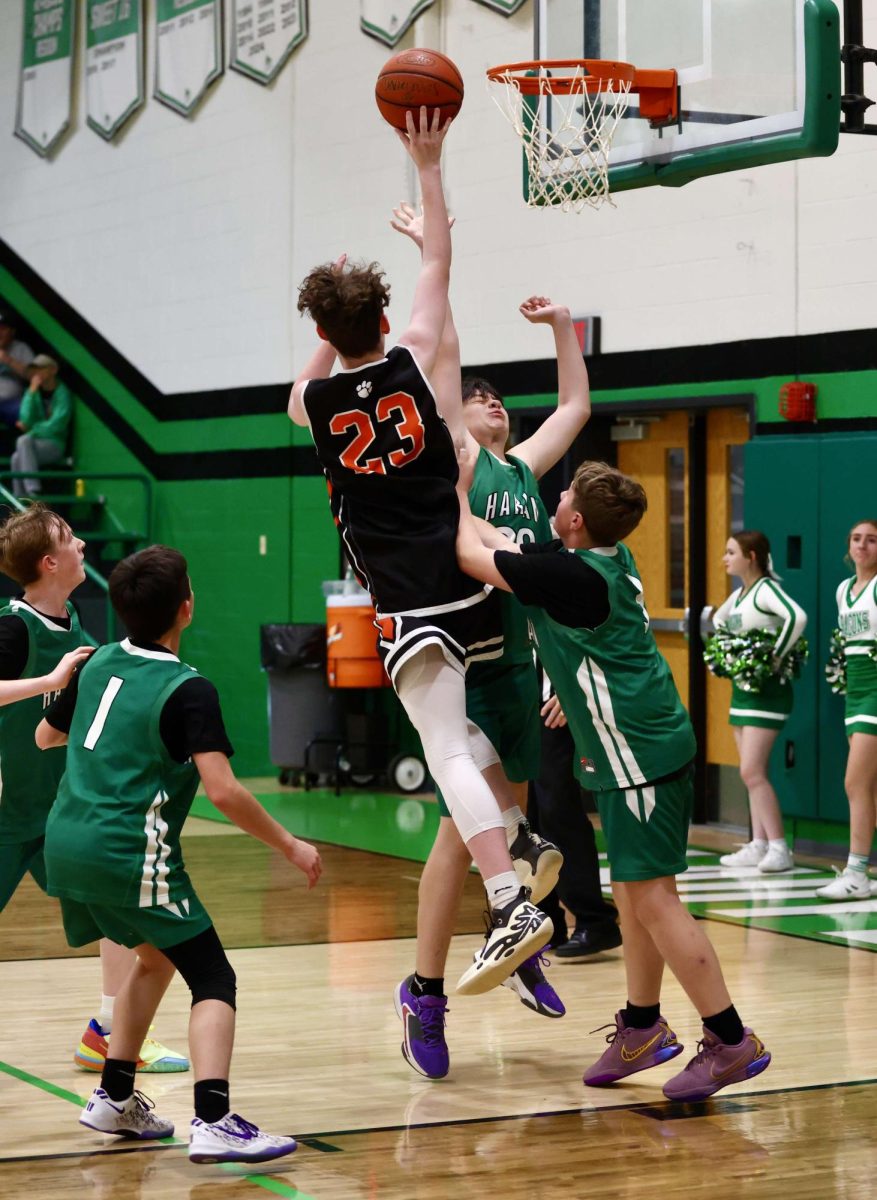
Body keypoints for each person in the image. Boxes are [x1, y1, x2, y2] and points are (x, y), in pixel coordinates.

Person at [289, 109, 552, 1005]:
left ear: (325, 327)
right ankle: (517, 831)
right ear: (387, 316)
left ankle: (511, 895)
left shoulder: (317, 404)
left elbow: (301, 384)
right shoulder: (419, 357)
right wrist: (427, 166)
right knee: (467, 738)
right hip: (462, 572)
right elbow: (438, 262)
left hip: (403, 591)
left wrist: (328, 313)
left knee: (442, 747)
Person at [456, 460, 771, 1102]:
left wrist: (454, 487)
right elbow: (497, 538)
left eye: (563, 494)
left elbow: (469, 551)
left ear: (573, 521)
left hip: (640, 755)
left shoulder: (569, 574)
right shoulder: (596, 555)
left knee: (654, 900)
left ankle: (731, 1038)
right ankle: (643, 1026)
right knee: (631, 899)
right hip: (641, 743)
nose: (556, 496)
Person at [38, 544, 322, 1162]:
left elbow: (45, 734)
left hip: (65, 843)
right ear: (186, 608)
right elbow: (223, 790)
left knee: (155, 958)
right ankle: (214, 1119)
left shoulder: (97, 661)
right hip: (125, 850)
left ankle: (114, 1099)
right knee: (214, 975)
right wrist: (291, 845)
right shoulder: (188, 689)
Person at [0, 504, 188, 1074]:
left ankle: (108, 1030)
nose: (83, 544)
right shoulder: (12, 625)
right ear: (50, 561)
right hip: (9, 812)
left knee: (122, 920)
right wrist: (53, 681)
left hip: (63, 814)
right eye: (71, 537)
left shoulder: (75, 620)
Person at [711, 532, 807, 874]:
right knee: (751, 772)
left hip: (767, 693)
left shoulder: (767, 589)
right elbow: (718, 620)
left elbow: (797, 618)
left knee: (752, 771)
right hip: (743, 690)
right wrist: (730, 649)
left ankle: (780, 847)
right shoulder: (740, 594)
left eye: (731, 552)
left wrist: (775, 656)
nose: (725, 558)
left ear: (751, 556)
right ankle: (760, 843)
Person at [529, 669, 622, 960]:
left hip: (561, 700)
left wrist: (572, 688)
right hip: (527, 701)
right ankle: (547, 920)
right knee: (529, 814)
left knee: (559, 810)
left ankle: (595, 919)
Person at [816, 519, 877, 901]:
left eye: (872, 540)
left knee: (854, 784)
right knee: (870, 789)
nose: (863, 546)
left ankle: (856, 873)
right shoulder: (844, 590)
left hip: (875, 691)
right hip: (854, 691)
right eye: (856, 538)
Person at [11, 354, 73, 497]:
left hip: (55, 445)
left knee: (23, 440)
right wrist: (31, 393)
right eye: (35, 369)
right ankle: (20, 501)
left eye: (41, 368)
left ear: (53, 370)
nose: (36, 372)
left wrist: (33, 430)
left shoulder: (63, 393)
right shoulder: (34, 391)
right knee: (16, 457)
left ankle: (33, 492)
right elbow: (25, 418)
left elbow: (58, 425)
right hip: (35, 445)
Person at [0, 314, 33, 430]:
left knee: (29, 414)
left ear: (12, 332)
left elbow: (34, 376)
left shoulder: (21, 348)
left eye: (3, 329)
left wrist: (9, 361)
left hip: (12, 403)